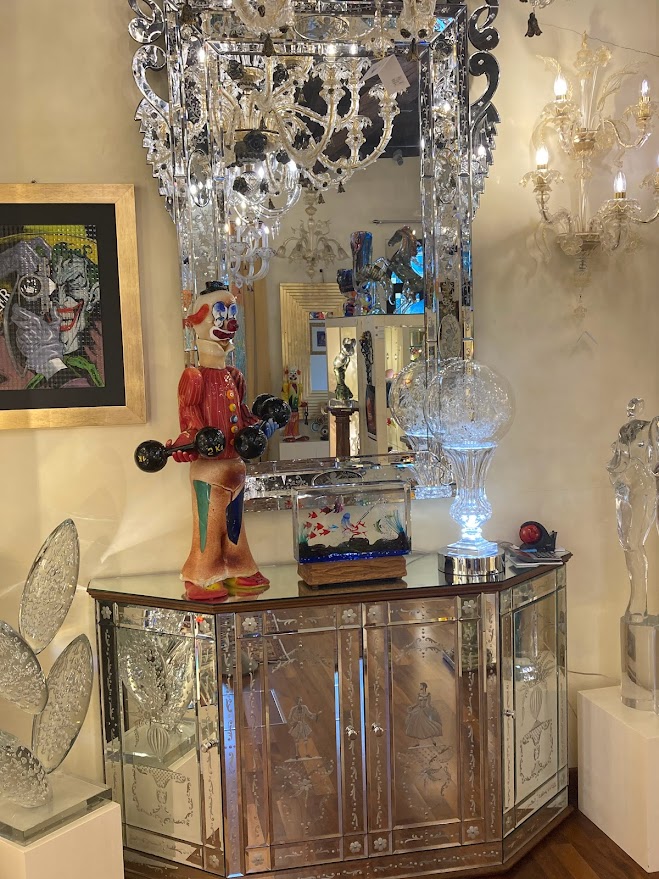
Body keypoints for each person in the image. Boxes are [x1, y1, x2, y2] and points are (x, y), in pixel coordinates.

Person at [169, 281, 269, 601]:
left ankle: (239, 567)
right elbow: (190, 420)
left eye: (231, 313)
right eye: (220, 314)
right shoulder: (194, 377)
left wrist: (262, 424)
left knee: (235, 522)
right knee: (210, 524)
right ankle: (202, 574)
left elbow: (243, 416)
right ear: (198, 321)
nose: (229, 323)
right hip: (209, 469)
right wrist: (191, 440)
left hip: (234, 466)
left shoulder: (234, 376)